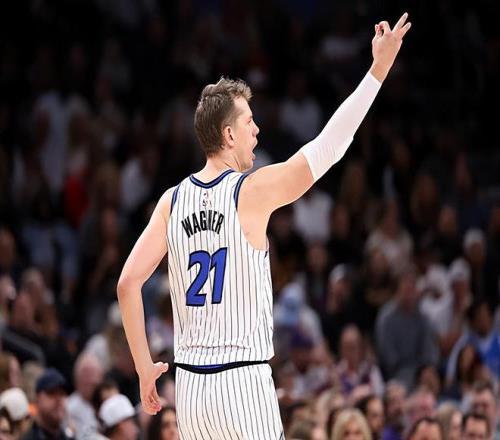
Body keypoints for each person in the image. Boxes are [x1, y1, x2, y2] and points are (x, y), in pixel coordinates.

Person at [117, 12, 412, 438]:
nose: (256, 130)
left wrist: (145, 369)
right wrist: (377, 72)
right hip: (243, 382)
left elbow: (128, 284)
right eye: (248, 122)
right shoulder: (249, 192)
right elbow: (327, 148)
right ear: (228, 135)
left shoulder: (171, 201)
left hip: (191, 392)